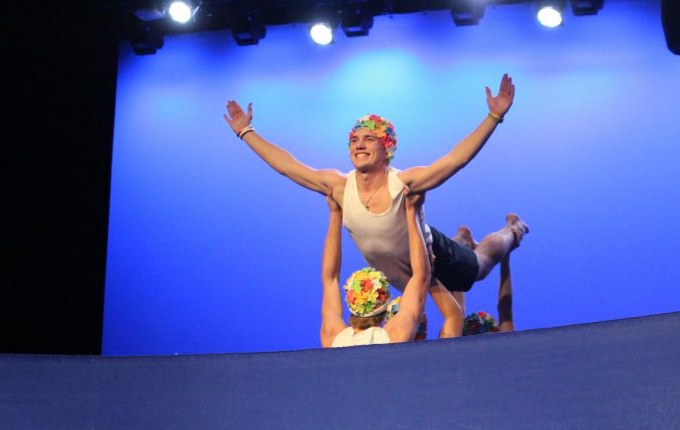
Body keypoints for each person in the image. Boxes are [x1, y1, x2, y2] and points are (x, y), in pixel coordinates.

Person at [224, 75, 528, 337]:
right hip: (403, 273)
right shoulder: (339, 186)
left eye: (369, 139)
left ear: (387, 148)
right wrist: (245, 132)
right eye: (354, 139)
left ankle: (512, 230)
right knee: (447, 298)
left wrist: (493, 118)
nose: (359, 144)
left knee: (481, 266)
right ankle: (463, 238)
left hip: (434, 257)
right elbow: (288, 167)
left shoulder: (404, 184)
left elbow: (455, 160)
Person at [320, 191, 429, 347]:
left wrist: (335, 213)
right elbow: (421, 275)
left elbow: (329, 278)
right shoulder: (394, 336)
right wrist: (412, 213)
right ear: (385, 308)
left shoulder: (332, 337)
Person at [451, 226, 516, 335]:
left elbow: (505, 312)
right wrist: (505, 256)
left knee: (455, 314)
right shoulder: (505, 344)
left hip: (458, 340)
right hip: (464, 340)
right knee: (455, 313)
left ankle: (460, 242)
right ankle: (460, 243)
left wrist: (505, 255)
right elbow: (505, 312)